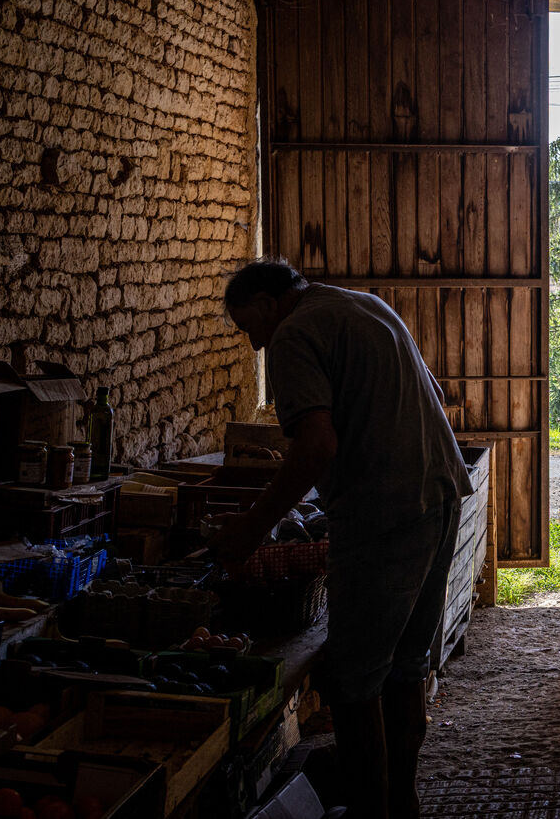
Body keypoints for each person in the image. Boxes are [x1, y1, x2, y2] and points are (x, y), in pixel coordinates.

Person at [212, 260, 470, 819]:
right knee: (404, 668)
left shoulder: (293, 334)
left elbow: (316, 446)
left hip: (383, 513)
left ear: (267, 303)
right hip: (440, 494)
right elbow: (426, 393)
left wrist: (250, 529)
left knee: (352, 681)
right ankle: (402, 805)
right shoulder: (363, 305)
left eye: (249, 326)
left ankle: (371, 811)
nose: (255, 344)